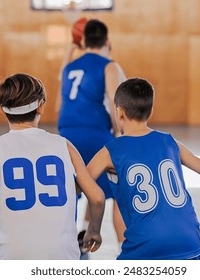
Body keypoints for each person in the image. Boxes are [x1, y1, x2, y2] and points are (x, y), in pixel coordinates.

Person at [87, 78, 200, 260]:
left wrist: (93, 229)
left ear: (119, 112)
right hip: (189, 242)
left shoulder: (111, 150)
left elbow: (81, 187)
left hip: (146, 246)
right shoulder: (171, 143)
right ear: (151, 112)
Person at [0, 73, 105, 260]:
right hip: (61, 254)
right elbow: (97, 197)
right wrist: (93, 231)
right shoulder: (64, 145)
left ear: (2, 110)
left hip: (11, 254)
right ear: (41, 107)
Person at [56, 18, 127, 254]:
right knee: (118, 191)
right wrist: (122, 137)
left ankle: (78, 240)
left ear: (84, 41)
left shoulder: (68, 68)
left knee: (77, 187)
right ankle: (124, 250)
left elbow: (59, 105)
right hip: (95, 133)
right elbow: (118, 106)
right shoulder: (109, 66)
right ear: (108, 41)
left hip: (66, 133)